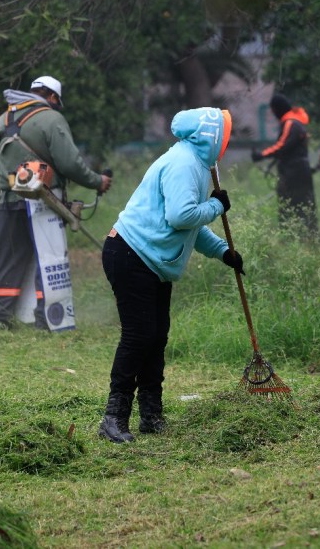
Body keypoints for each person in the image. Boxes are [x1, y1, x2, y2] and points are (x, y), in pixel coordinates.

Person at [98, 107, 244, 443]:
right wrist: (217, 206)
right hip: (131, 253)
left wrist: (224, 251)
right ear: (210, 135)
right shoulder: (183, 164)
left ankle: (151, 416)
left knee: (156, 335)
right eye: (224, 135)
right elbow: (182, 216)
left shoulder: (195, 163)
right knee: (139, 335)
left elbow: (189, 230)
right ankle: (113, 419)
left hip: (151, 260)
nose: (225, 142)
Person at [0, 75, 112, 330]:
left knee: (8, 258)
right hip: (44, 201)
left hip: (8, 199)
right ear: (52, 97)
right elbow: (70, 164)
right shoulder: (52, 118)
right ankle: (47, 319)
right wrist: (98, 182)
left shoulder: (4, 119)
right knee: (49, 258)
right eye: (56, 102)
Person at [251, 93, 319, 239]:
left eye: (273, 110)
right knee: (305, 204)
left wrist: (261, 155)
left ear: (278, 108)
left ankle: (291, 238)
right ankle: (308, 239)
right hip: (300, 170)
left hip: (293, 172)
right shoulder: (296, 122)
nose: (274, 113)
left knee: (288, 205)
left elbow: (282, 146)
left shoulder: (290, 123)